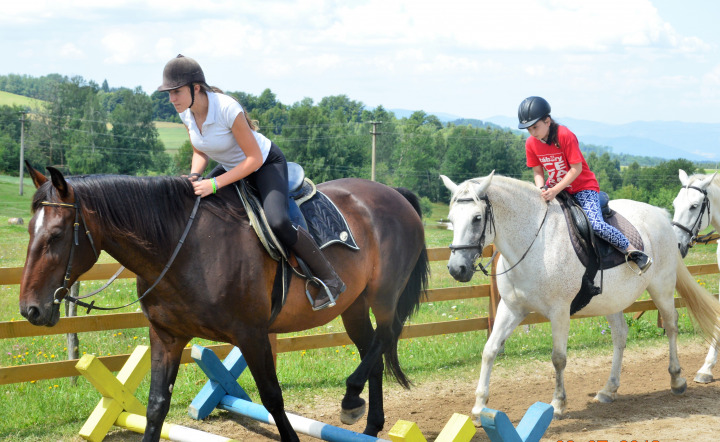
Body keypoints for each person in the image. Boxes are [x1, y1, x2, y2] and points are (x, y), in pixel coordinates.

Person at [157, 54, 345, 310]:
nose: (171, 99)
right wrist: (193, 176)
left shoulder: (226, 108)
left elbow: (254, 158)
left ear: (195, 88)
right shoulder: (187, 113)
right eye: (169, 93)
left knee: (278, 220)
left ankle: (330, 279)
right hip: (234, 166)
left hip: (264, 164)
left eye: (176, 92)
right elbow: (200, 150)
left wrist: (214, 184)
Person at [518, 96, 652, 274]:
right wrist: (542, 188)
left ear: (547, 121)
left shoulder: (565, 135)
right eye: (528, 129)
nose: (532, 132)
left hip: (583, 187)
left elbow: (576, 168)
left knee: (596, 224)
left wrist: (555, 190)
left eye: (535, 127)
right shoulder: (531, 143)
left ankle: (633, 252)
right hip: (555, 187)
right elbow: (537, 172)